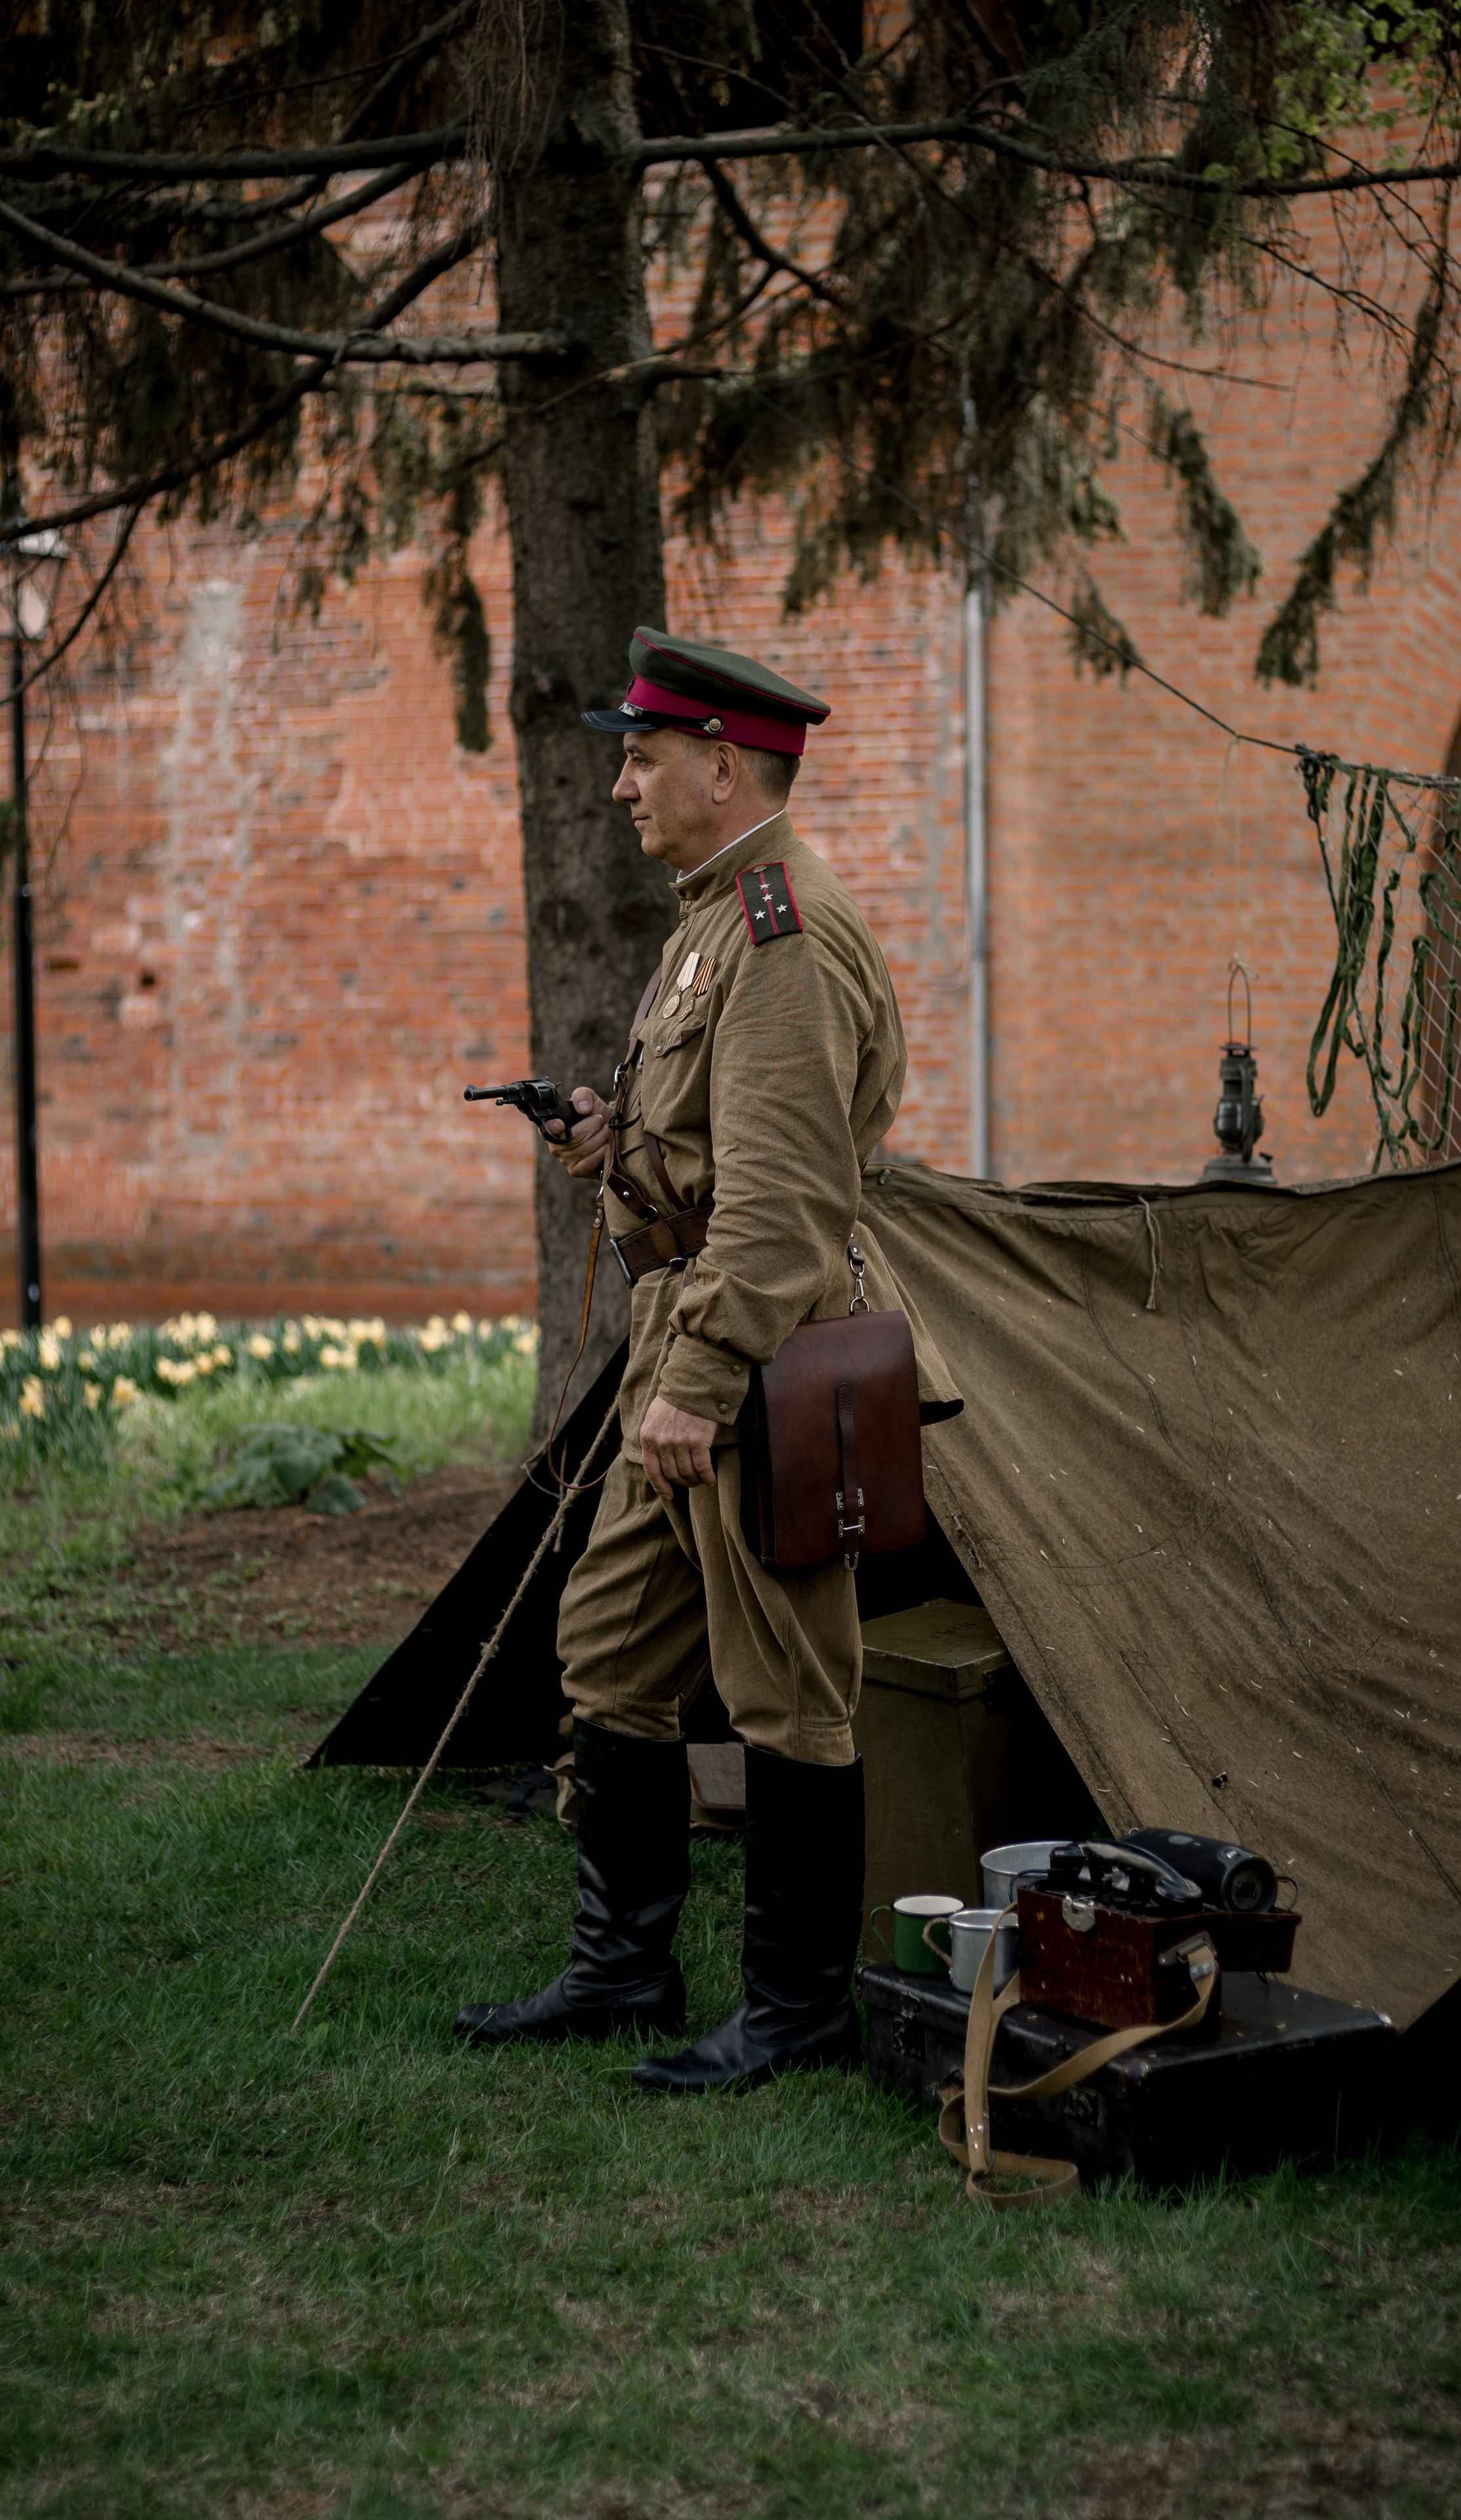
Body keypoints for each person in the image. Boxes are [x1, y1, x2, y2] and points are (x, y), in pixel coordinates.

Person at [453, 628, 958, 2093]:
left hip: (759, 1367)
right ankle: (622, 1972)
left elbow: (796, 1206)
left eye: (641, 757)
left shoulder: (784, 934)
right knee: (608, 1644)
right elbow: (724, 1153)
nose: (619, 785)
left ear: (720, 765)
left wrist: (693, 1386)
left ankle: (794, 2013)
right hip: (692, 1341)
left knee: (789, 1687)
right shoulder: (709, 923)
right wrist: (620, 1148)